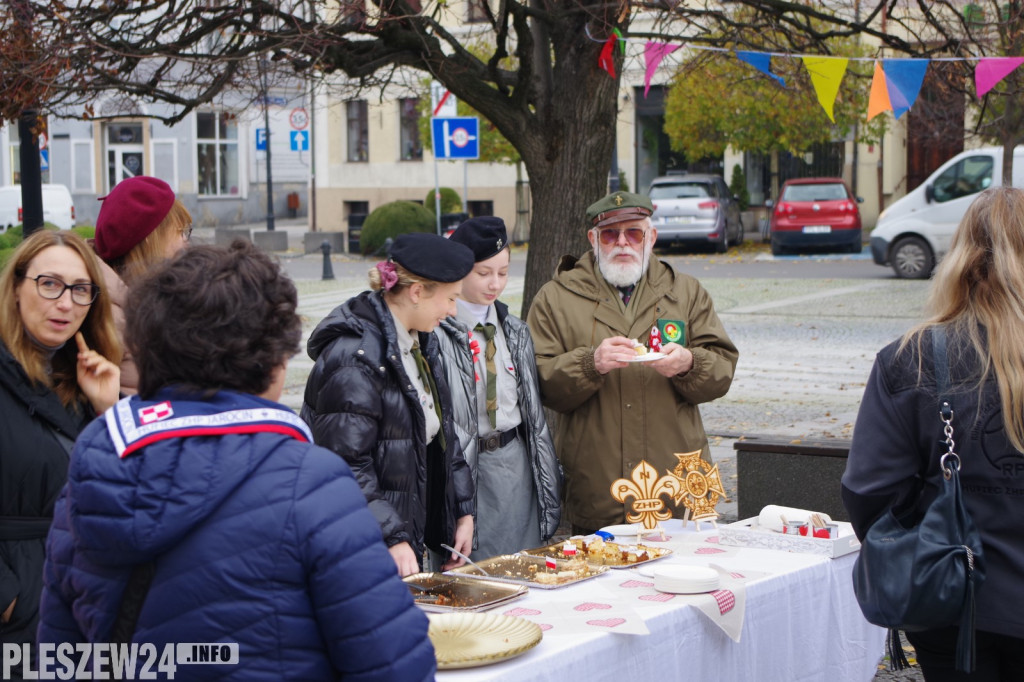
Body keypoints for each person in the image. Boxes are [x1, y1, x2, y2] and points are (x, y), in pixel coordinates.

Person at [37, 241, 435, 680]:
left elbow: (58, 653)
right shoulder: (311, 483)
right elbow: (395, 663)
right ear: (275, 364)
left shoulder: (92, 471)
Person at [843, 186, 1024, 681]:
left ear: (960, 257)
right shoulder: (908, 360)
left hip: (949, 599)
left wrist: (925, 541)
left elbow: (869, 492)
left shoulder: (911, 359)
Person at [526, 191, 738, 534]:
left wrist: (689, 363)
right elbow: (538, 382)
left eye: (634, 233)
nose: (622, 243)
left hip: (680, 478)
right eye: (610, 234)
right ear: (593, 239)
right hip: (598, 480)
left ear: (651, 238)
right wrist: (589, 364)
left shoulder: (685, 291)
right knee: (604, 582)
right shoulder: (556, 297)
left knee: (692, 581)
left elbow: (722, 370)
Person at [302, 232, 476, 577]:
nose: (454, 311)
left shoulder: (421, 341)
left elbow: (442, 435)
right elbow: (344, 464)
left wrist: (462, 510)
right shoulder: (354, 358)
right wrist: (391, 536)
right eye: (451, 299)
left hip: (398, 534)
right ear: (416, 292)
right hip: (365, 546)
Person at [0, 230, 120, 678]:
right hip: (21, 621)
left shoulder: (85, 381)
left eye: (80, 290)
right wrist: (11, 598)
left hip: (86, 609)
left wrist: (110, 410)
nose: (66, 303)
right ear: (16, 287)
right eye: (49, 284)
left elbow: (127, 495)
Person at [435, 217, 561, 559]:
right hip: (466, 471)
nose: (495, 283)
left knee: (526, 565)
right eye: (483, 273)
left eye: (503, 273)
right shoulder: (437, 333)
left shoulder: (515, 331)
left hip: (515, 465)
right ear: (460, 269)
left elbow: (531, 412)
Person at [92, 175, 192, 394]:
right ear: (151, 236)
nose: (186, 241)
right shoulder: (111, 314)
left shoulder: (156, 293)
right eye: (180, 231)